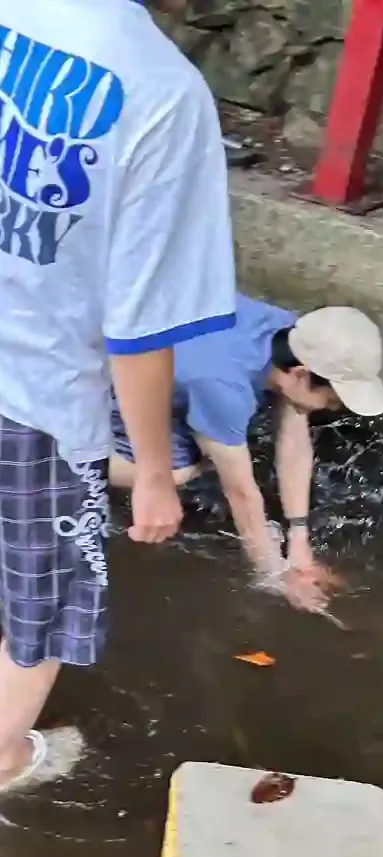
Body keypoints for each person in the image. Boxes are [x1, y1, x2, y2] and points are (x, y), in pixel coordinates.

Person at [0, 0, 235, 790]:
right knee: (46, 590)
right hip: (36, 395)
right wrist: (157, 479)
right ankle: (3, 755)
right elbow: (139, 329)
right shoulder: (162, 93)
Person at [110, 294, 383, 611]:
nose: (333, 408)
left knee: (217, 442)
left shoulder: (292, 334)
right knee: (175, 472)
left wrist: (299, 540)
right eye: (331, 401)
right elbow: (240, 492)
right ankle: (68, 458)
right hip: (106, 370)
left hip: (162, 347)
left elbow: (295, 442)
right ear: (301, 375)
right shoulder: (224, 386)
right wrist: (275, 575)